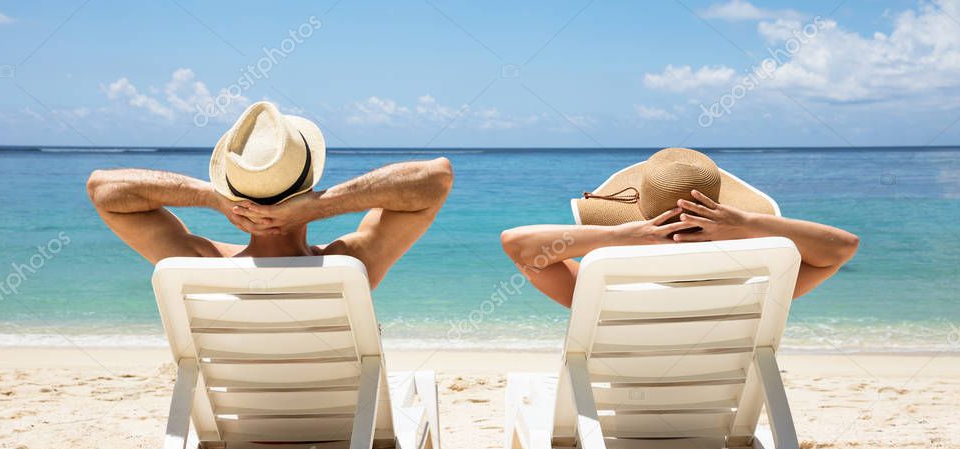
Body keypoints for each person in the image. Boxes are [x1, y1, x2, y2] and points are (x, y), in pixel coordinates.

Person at [87, 101, 452, 288]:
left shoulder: (201, 265)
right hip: (336, 429)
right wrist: (321, 206)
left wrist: (212, 198)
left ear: (232, 187)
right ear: (307, 183)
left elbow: (103, 189)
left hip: (236, 426)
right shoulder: (350, 265)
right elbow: (436, 178)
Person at [500, 148, 858, 307]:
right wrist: (747, 224)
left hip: (618, 417)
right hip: (718, 415)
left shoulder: (602, 286)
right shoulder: (755, 289)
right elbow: (840, 248)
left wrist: (621, 236)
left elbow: (518, 246)